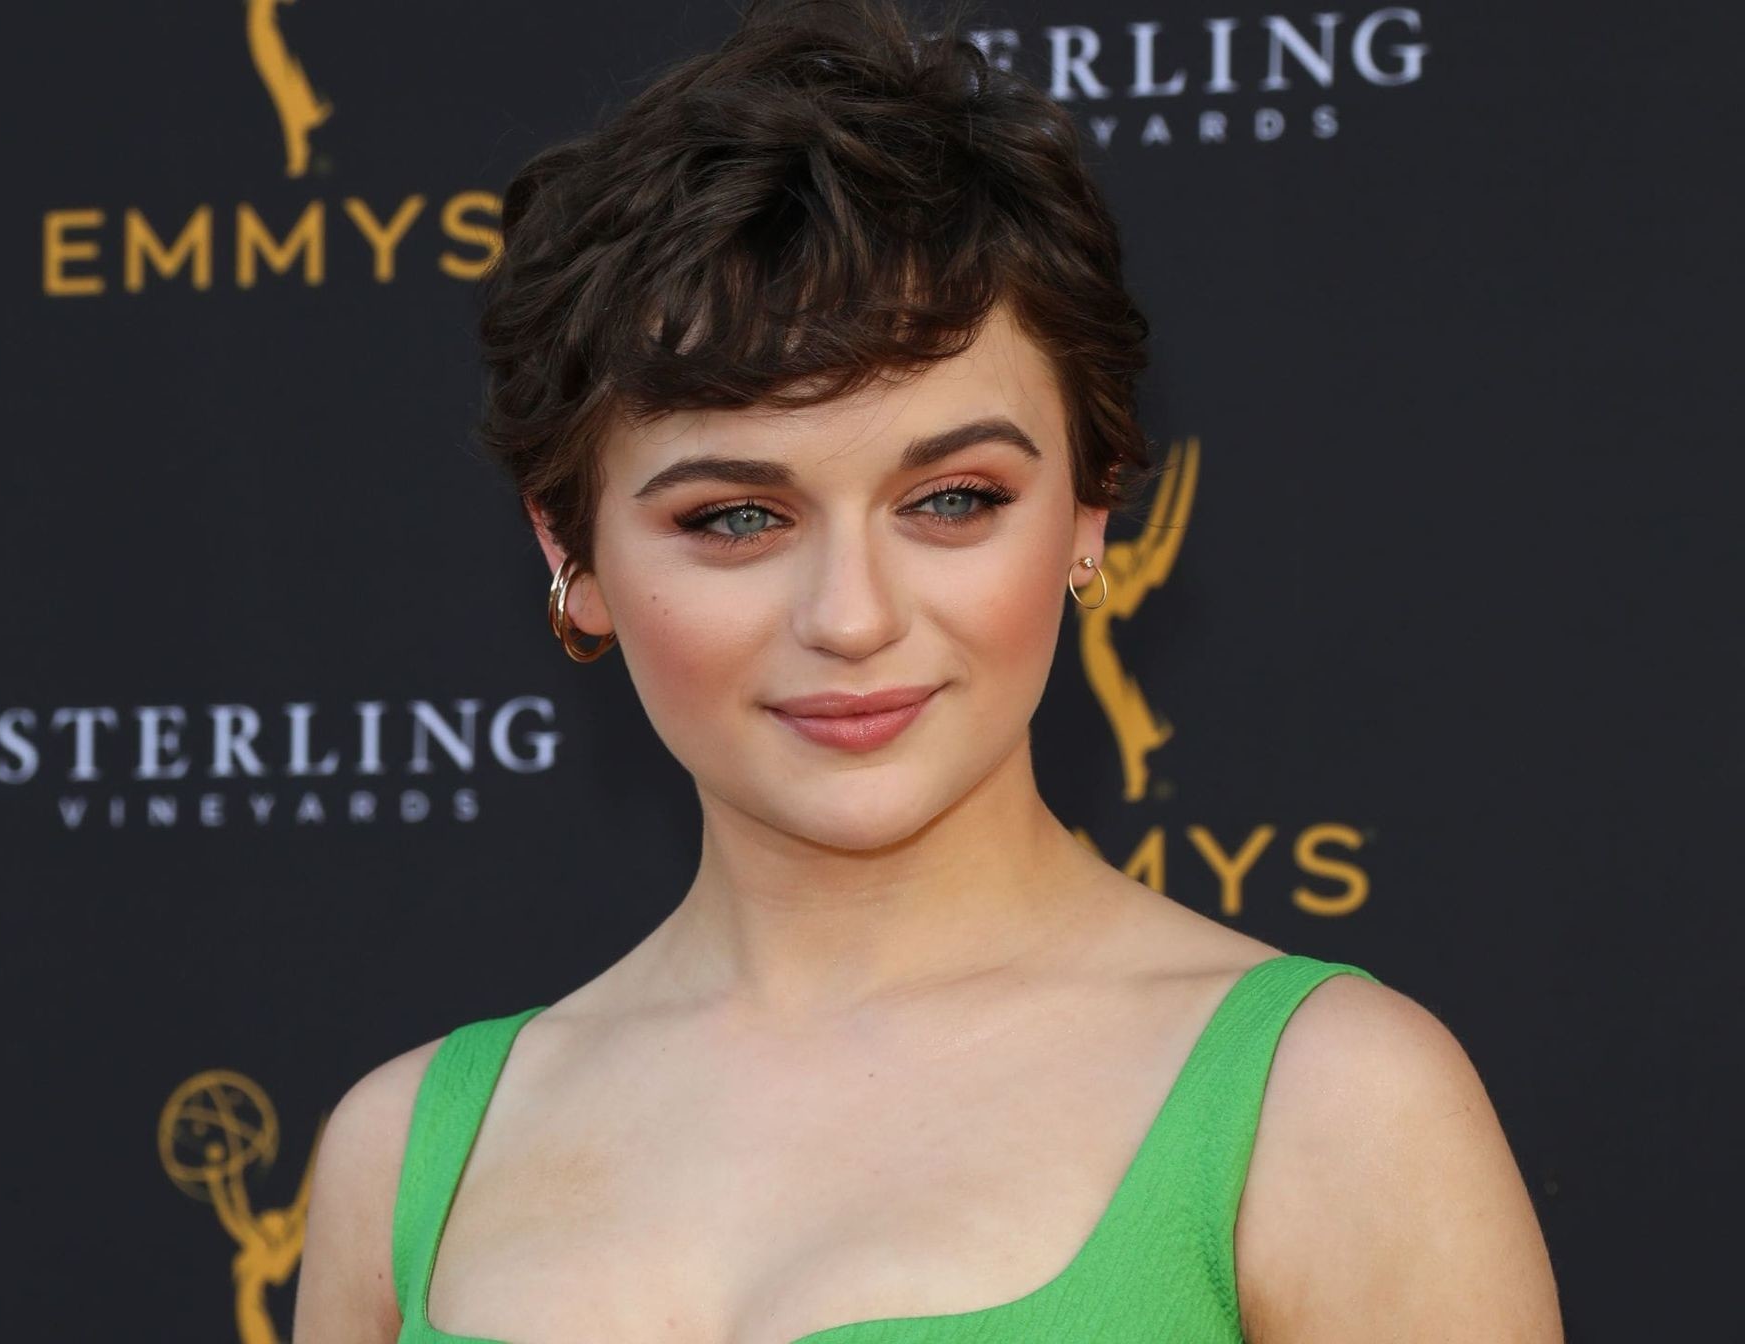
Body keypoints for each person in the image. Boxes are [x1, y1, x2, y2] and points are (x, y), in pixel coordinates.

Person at [294, 1, 1564, 1340]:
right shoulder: (405, 1157)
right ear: (573, 548)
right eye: (737, 517)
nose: (851, 618)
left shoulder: (1334, 1106)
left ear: (1090, 509)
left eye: (953, 500)